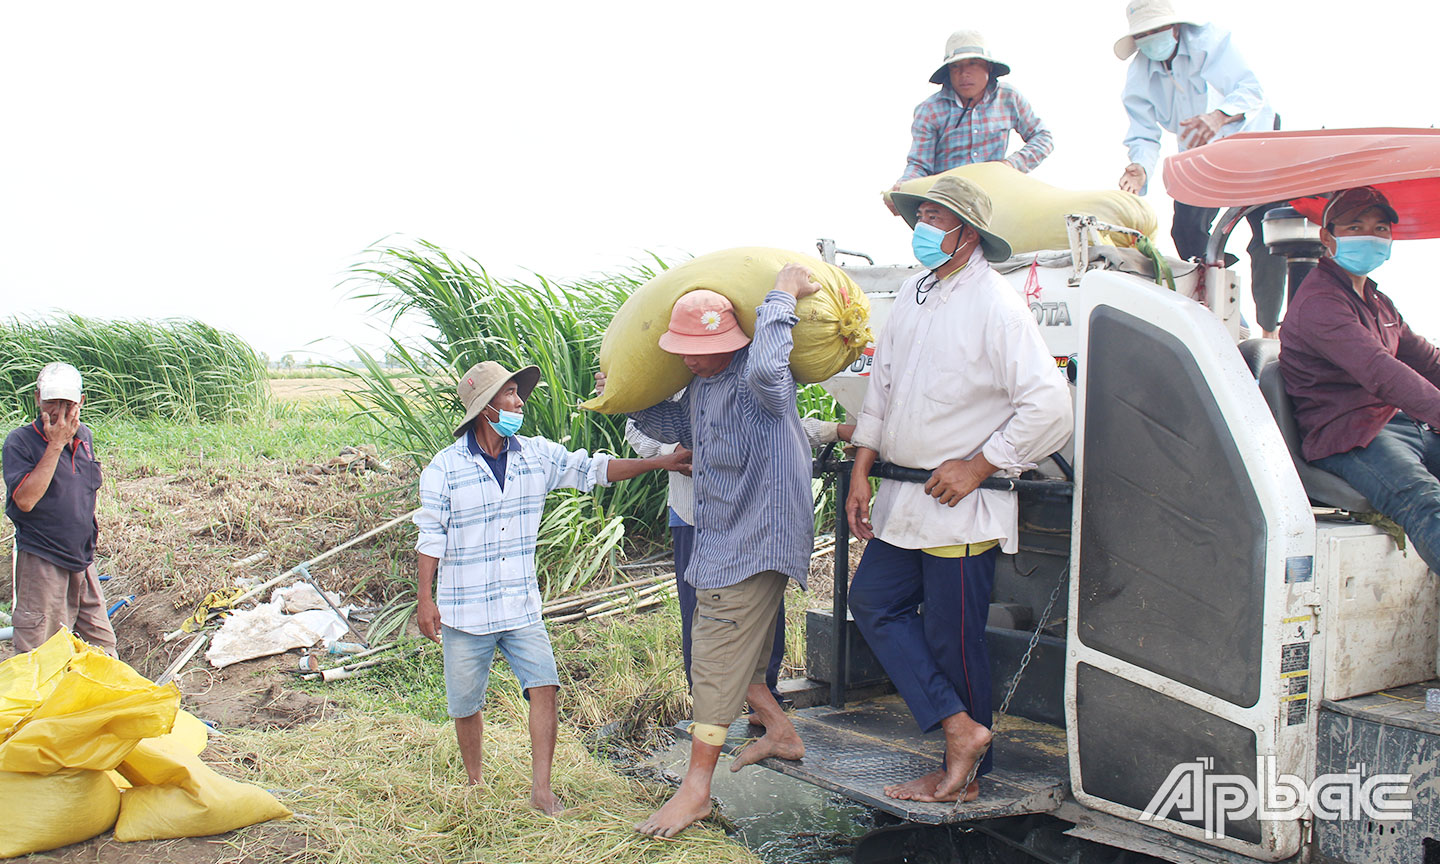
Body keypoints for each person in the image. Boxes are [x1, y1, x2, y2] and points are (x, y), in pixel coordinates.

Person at [846, 176, 1072, 804]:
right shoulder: (914, 295)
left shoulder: (996, 305)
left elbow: (1050, 407)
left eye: (933, 218)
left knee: (955, 640)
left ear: (966, 234)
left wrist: (980, 464)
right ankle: (959, 730)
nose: (920, 227)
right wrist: (862, 468)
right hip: (902, 495)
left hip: (963, 506)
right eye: (916, 215)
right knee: (875, 603)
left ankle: (970, 775)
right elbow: (880, 392)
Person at [414, 361, 690, 813]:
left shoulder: (537, 455)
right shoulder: (445, 469)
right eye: (509, 394)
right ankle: (475, 783)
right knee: (466, 704)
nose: (519, 402)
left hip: (520, 605)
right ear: (485, 408)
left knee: (545, 686)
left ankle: (542, 790)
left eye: (518, 394)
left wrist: (661, 461)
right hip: (466, 609)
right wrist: (425, 600)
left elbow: (593, 470)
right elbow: (431, 534)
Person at [612, 268, 818, 837]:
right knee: (740, 654)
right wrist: (622, 392)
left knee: (713, 657)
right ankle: (780, 731)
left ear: (734, 343)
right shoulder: (704, 388)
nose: (694, 360)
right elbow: (670, 420)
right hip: (723, 535)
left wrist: (779, 297)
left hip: (758, 537)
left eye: (705, 350)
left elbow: (773, 367)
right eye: (686, 353)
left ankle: (696, 792)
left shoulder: (759, 385)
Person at [624, 411, 853, 714]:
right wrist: (672, 453)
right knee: (700, 611)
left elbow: (782, 425)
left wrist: (835, 430)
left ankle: (765, 702)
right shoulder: (667, 376)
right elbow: (636, 427)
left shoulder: (748, 371)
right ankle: (709, 706)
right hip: (695, 511)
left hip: (752, 511)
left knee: (763, 603)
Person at [1280, 186, 1440, 572]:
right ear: (1327, 236)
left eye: (1380, 228)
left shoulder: (1376, 300)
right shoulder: (1321, 302)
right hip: (1348, 435)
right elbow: (1381, 373)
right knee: (1424, 499)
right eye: (1356, 226)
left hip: (1396, 424)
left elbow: (1425, 359)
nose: (1371, 235)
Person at [1113, 0, 1286, 336]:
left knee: (1269, 232)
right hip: (1201, 154)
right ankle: (1228, 317)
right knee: (1186, 231)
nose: (1151, 39)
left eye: (1156, 30)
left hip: (1253, 140)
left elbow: (1251, 90)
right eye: (1143, 34)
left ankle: (1269, 327)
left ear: (1175, 26)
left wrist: (1218, 116)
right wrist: (1138, 168)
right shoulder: (1139, 76)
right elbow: (1143, 135)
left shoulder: (1211, 42)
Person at [4, 362, 117, 656]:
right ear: (38, 398)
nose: (59, 411)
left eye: (67, 403)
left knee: (103, 649)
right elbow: (26, 501)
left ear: (81, 402)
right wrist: (55, 445)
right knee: (41, 656)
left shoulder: (85, 438)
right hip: (42, 561)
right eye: (52, 402)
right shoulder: (20, 442)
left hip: (83, 560)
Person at [887, 29, 1053, 215]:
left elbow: (1043, 138)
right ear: (948, 72)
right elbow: (920, 164)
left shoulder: (1009, 98)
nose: (964, 73)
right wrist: (903, 188)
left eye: (973, 63)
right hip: (946, 204)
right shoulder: (930, 110)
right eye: (955, 67)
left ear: (988, 67)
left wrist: (1010, 165)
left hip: (993, 202)